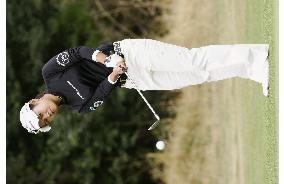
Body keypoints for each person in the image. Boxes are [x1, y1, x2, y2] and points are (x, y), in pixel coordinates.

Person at [20, 39, 269, 134]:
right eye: (45, 122)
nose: (47, 116)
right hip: (134, 80)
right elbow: (103, 91)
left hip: (130, 53)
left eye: (40, 114)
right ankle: (249, 70)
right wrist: (114, 75)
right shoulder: (80, 107)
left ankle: (256, 55)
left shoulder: (50, 73)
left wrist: (108, 60)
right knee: (198, 75)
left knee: (194, 60)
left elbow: (78, 52)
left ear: (34, 102)